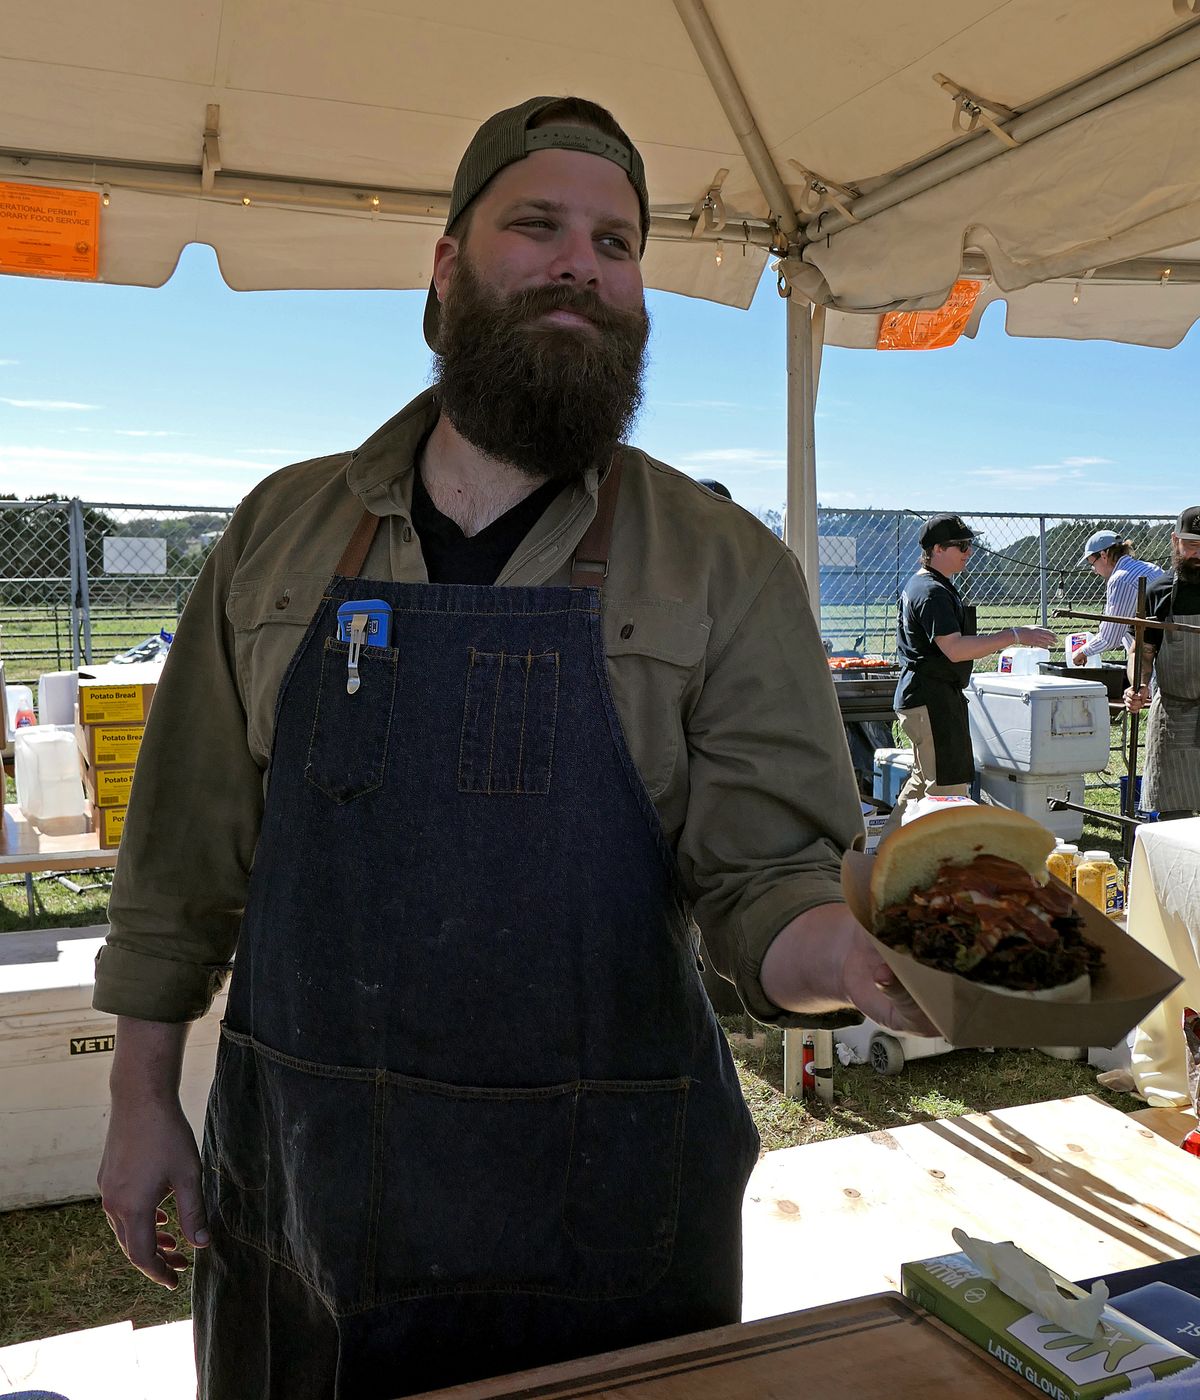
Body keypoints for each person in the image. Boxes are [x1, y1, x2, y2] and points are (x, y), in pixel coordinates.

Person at [93, 96, 932, 1400]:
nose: (580, 265)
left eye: (616, 242)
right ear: (447, 265)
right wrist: (142, 1096)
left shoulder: (722, 568)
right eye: (537, 226)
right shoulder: (279, 532)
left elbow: (766, 882)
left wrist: (860, 955)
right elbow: (180, 860)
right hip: (299, 1196)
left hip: (608, 1215)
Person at [891, 514, 1056, 821]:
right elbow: (954, 649)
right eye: (962, 545)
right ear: (937, 549)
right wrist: (1015, 635)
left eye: (969, 544)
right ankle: (935, 865)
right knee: (946, 794)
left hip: (925, 698)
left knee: (920, 786)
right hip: (933, 702)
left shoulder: (925, 584)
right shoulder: (932, 592)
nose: (969, 552)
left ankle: (882, 861)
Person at [1124, 506, 1200, 819]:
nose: (1199, 554)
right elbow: (1141, 653)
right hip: (1174, 713)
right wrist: (1138, 684)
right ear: (1175, 541)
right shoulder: (1158, 594)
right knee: (1175, 815)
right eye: (1192, 545)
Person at [1070, 529, 1165, 666]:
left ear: (1104, 555)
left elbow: (1110, 637)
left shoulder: (1120, 579)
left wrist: (1082, 651)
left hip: (1154, 661)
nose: (1094, 571)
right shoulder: (1149, 567)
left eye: (1093, 564)